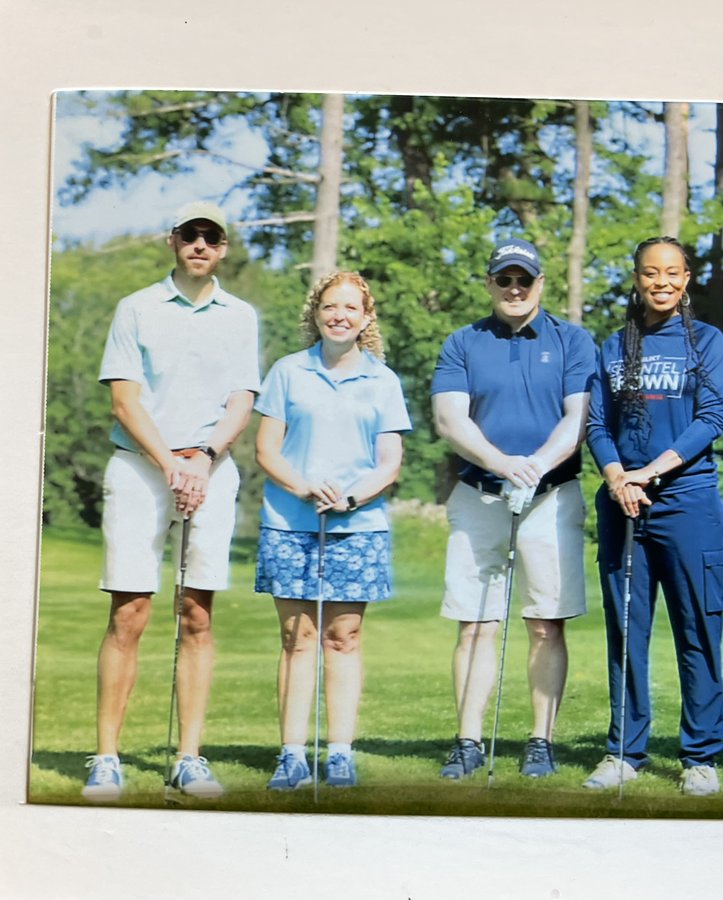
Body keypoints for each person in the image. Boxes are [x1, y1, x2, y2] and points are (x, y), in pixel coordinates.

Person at [84, 201, 260, 801]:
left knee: (197, 613)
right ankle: (106, 756)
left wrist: (203, 460)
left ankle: (189, 756)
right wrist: (171, 465)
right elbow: (125, 403)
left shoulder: (241, 316)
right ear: (173, 241)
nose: (201, 246)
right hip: (140, 467)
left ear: (224, 248)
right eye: (191, 236)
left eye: (212, 238)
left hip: (210, 467)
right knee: (130, 612)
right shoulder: (135, 308)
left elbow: (241, 400)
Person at [430, 238, 595, 779]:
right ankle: (469, 741)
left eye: (525, 279)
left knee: (546, 622)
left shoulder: (572, 341)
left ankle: (540, 742)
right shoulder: (463, 342)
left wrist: (537, 465)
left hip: (551, 496)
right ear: (490, 284)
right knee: (475, 624)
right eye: (505, 279)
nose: (515, 289)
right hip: (481, 495)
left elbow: (577, 420)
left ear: (542, 283)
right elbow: (450, 421)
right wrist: (505, 463)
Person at [583, 237, 723, 797]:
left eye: (672, 272)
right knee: (627, 632)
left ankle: (700, 756)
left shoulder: (706, 342)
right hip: (623, 502)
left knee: (698, 629)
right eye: (651, 273)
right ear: (637, 278)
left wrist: (653, 473)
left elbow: (713, 415)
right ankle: (624, 750)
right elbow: (597, 424)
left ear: (687, 278)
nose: (661, 282)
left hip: (686, 500)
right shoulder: (615, 344)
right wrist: (619, 476)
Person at [254, 271, 410, 790]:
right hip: (291, 522)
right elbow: (266, 451)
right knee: (298, 639)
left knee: (343, 638)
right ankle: (292, 755)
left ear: (366, 319)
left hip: (357, 525)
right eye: (329, 306)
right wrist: (303, 489)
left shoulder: (382, 380)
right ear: (315, 313)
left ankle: (340, 752)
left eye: (350, 308)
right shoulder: (286, 372)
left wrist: (351, 497)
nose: (339, 315)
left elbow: (389, 462)